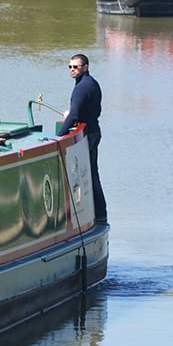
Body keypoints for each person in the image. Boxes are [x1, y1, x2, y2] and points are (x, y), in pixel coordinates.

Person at [59, 54, 107, 223]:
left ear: (85, 67)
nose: (72, 70)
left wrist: (59, 137)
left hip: (88, 134)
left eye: (76, 67)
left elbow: (74, 115)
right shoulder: (93, 83)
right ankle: (100, 213)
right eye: (70, 67)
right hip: (95, 130)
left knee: (88, 175)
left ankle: (96, 212)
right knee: (93, 173)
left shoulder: (81, 88)